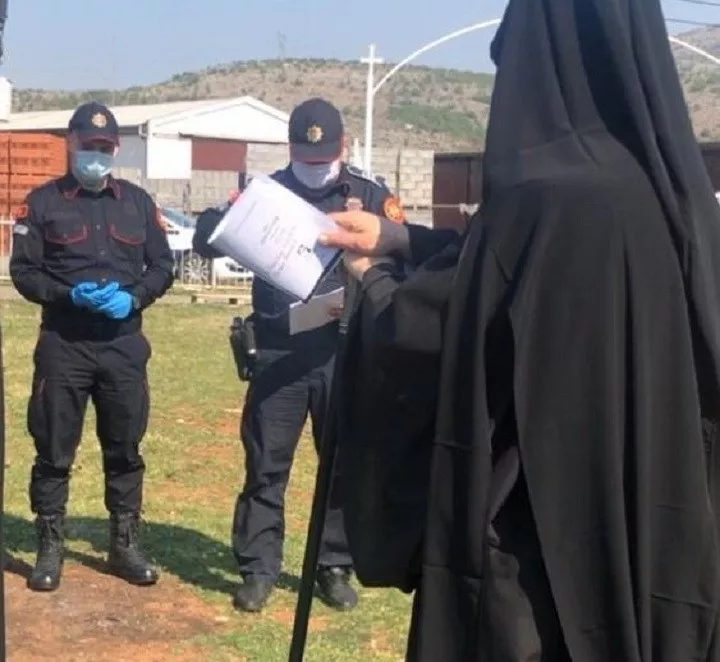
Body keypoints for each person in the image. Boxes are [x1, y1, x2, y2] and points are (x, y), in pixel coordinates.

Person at [321, 0, 720, 659]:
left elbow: (447, 324)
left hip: (533, 557)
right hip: (653, 531)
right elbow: (506, 272)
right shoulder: (671, 194)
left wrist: (371, 284)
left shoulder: (543, 194)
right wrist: (400, 238)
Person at [193, 97, 405, 613]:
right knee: (266, 465)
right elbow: (205, 242)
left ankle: (334, 564)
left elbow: (403, 256)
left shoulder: (369, 195)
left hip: (343, 353)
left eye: (325, 157)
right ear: (290, 149)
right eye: (307, 158)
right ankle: (258, 568)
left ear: (343, 147)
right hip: (279, 351)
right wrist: (223, 216)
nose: (316, 166)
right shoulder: (265, 195)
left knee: (342, 465)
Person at [10, 101, 175, 593]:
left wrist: (135, 298)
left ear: (115, 149)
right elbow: (24, 272)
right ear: (72, 143)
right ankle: (50, 547)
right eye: (88, 146)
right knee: (54, 448)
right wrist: (68, 295)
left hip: (123, 345)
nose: (96, 156)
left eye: (104, 148)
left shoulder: (138, 203)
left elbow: (162, 266)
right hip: (65, 345)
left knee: (125, 447)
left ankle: (124, 545)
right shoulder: (42, 203)